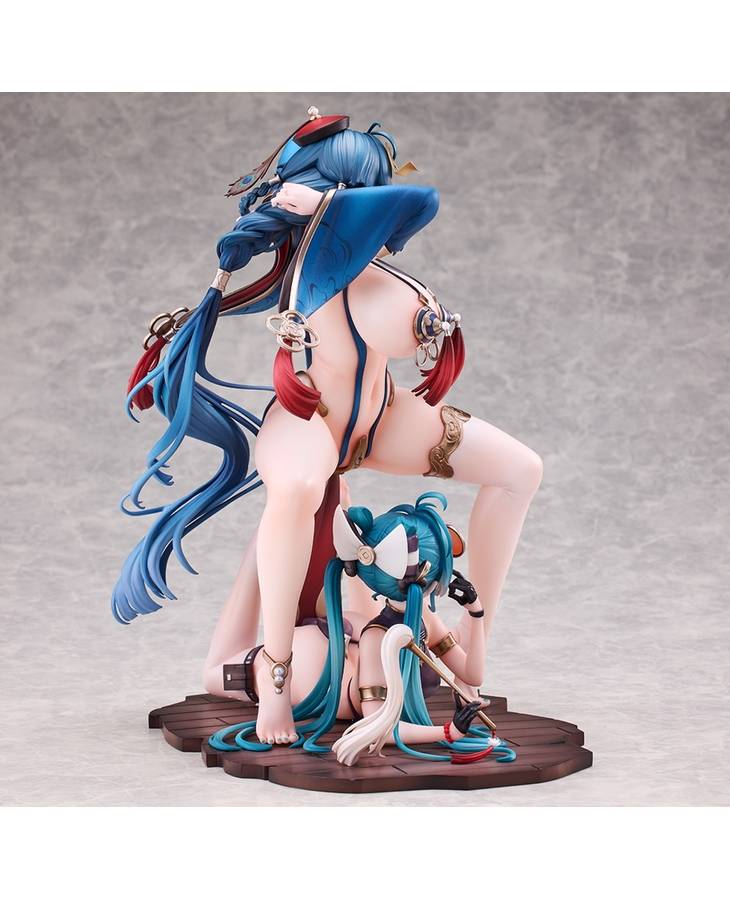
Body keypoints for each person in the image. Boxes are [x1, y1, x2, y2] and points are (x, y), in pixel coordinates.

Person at [113, 108, 542, 747]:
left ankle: (475, 643)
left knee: (519, 471)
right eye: (356, 197)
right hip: (308, 423)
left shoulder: (367, 269)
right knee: (294, 492)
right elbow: (406, 231)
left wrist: (331, 208)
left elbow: (418, 211)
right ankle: (276, 679)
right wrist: (316, 208)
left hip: (384, 417)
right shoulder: (312, 284)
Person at [207, 494, 515, 765]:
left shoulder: (422, 617)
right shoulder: (377, 639)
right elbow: (378, 727)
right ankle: (264, 545)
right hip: (303, 670)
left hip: (341, 638)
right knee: (213, 674)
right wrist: (448, 732)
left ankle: (311, 518)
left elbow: (472, 675)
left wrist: (476, 612)